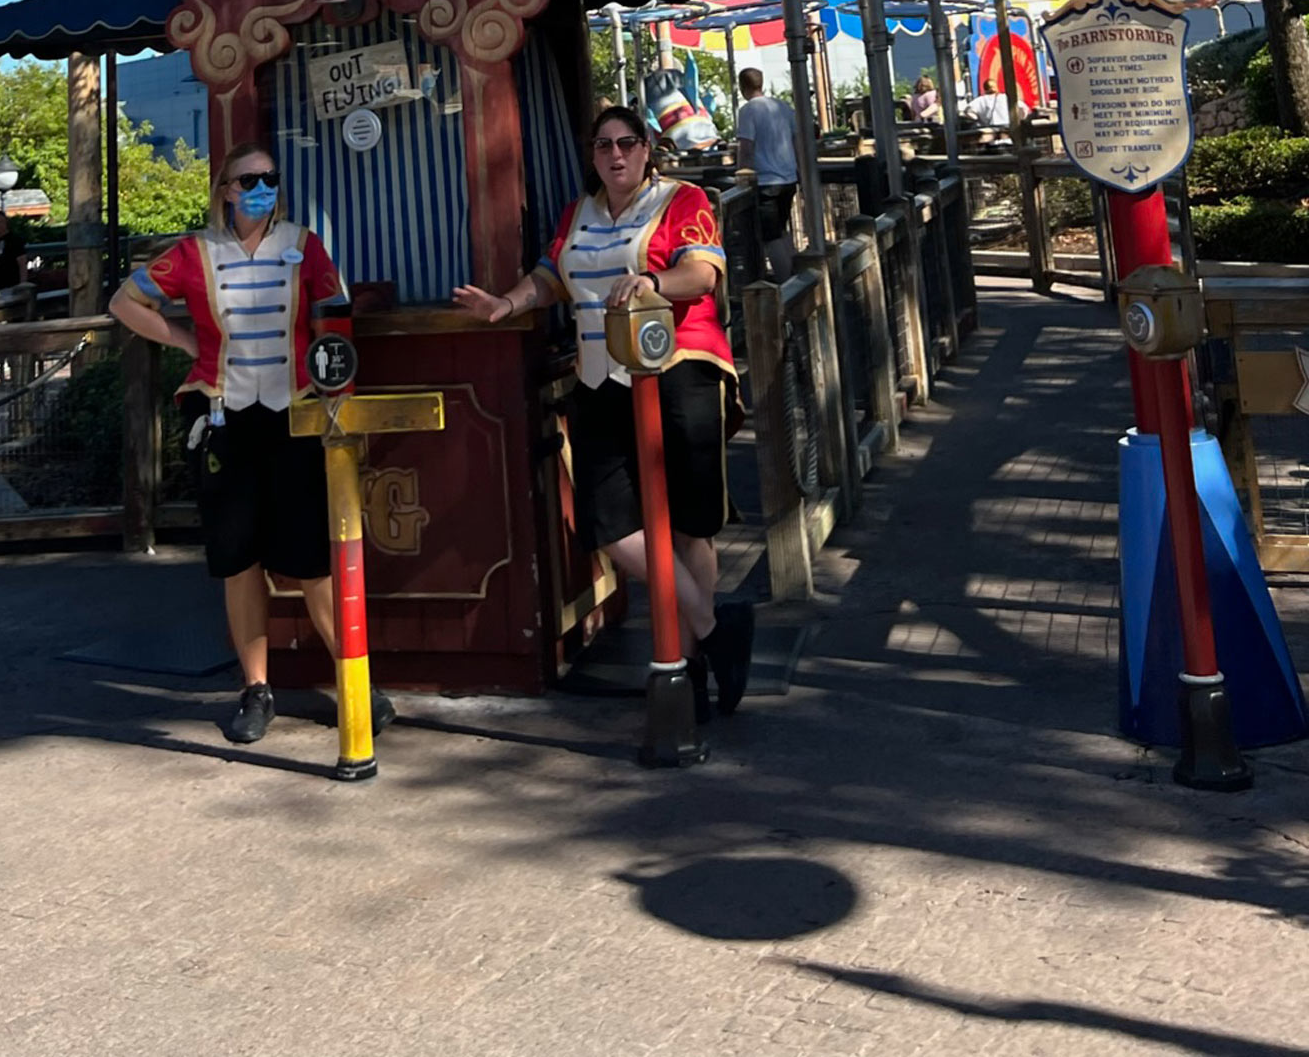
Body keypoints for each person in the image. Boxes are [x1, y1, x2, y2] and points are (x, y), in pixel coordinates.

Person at [453, 103, 754, 721]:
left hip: (679, 369)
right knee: (609, 522)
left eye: (626, 143)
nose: (615, 155)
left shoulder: (683, 199)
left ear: (647, 148)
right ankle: (714, 623)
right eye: (602, 146)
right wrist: (503, 307)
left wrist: (652, 282)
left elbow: (701, 273)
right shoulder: (577, 213)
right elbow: (549, 278)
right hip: (599, 377)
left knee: (690, 522)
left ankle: (690, 665)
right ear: (591, 156)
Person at [111, 142, 391, 749]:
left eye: (270, 178)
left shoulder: (304, 244)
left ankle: (354, 683)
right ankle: (256, 689)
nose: (262, 187)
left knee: (314, 559)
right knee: (239, 562)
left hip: (294, 414)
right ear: (227, 190)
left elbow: (334, 314)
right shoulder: (194, 253)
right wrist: (185, 343)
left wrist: (339, 389)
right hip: (225, 417)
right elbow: (124, 302)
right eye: (249, 179)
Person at [734, 68, 800, 281]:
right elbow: (796, 140)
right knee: (781, 229)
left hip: (765, 180)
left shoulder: (747, 111)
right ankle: (799, 274)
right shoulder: (782, 107)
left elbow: (746, 147)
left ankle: (787, 283)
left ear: (742, 87)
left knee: (770, 237)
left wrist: (742, 176)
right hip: (788, 177)